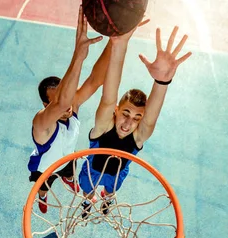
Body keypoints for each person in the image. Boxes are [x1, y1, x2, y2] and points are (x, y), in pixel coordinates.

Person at [78, 24, 192, 218]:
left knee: (111, 190)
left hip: (116, 175)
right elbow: (108, 98)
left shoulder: (138, 135)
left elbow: (150, 119)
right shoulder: (104, 126)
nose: (128, 123)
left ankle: (107, 197)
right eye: (125, 114)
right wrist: (119, 45)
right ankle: (89, 200)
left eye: (136, 118)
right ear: (116, 111)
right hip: (92, 170)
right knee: (88, 191)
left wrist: (162, 82)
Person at [28, 6, 112, 214]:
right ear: (46, 105)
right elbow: (61, 105)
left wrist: (116, 41)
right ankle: (43, 195)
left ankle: (67, 178)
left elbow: (94, 81)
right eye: (56, 100)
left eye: (64, 94)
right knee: (43, 187)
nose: (65, 103)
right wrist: (78, 57)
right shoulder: (41, 123)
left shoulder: (71, 106)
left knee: (70, 170)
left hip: (66, 158)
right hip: (46, 168)